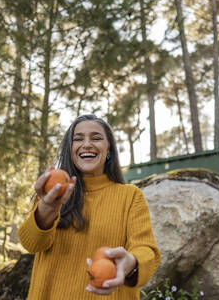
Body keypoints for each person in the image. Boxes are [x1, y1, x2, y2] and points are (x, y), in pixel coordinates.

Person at [18, 114, 160, 299]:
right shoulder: (56, 193)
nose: (86, 144)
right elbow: (31, 244)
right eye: (78, 139)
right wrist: (47, 208)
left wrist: (131, 262)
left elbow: (146, 249)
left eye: (96, 138)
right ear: (70, 150)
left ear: (109, 149)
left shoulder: (130, 196)